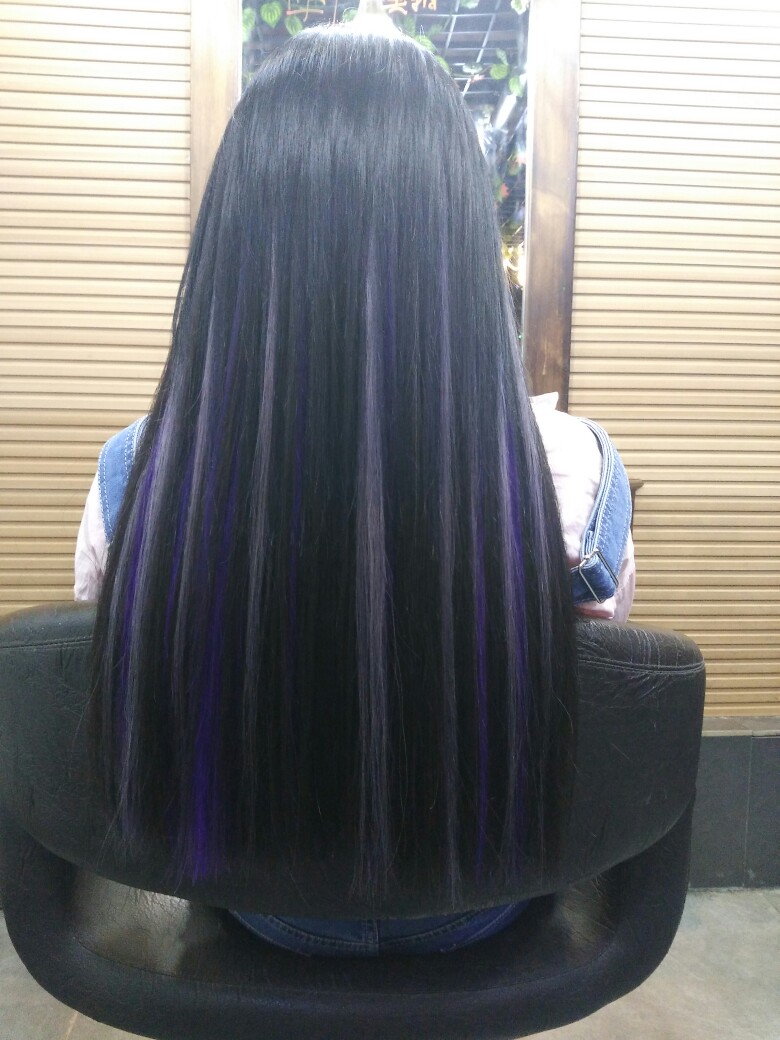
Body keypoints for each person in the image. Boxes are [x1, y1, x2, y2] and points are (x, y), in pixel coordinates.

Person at [79, 23, 634, 957]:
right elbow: (597, 701)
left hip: (257, 895)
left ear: (234, 243)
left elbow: (135, 686)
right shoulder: (579, 473)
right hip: (478, 894)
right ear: (460, 248)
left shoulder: (136, 475)